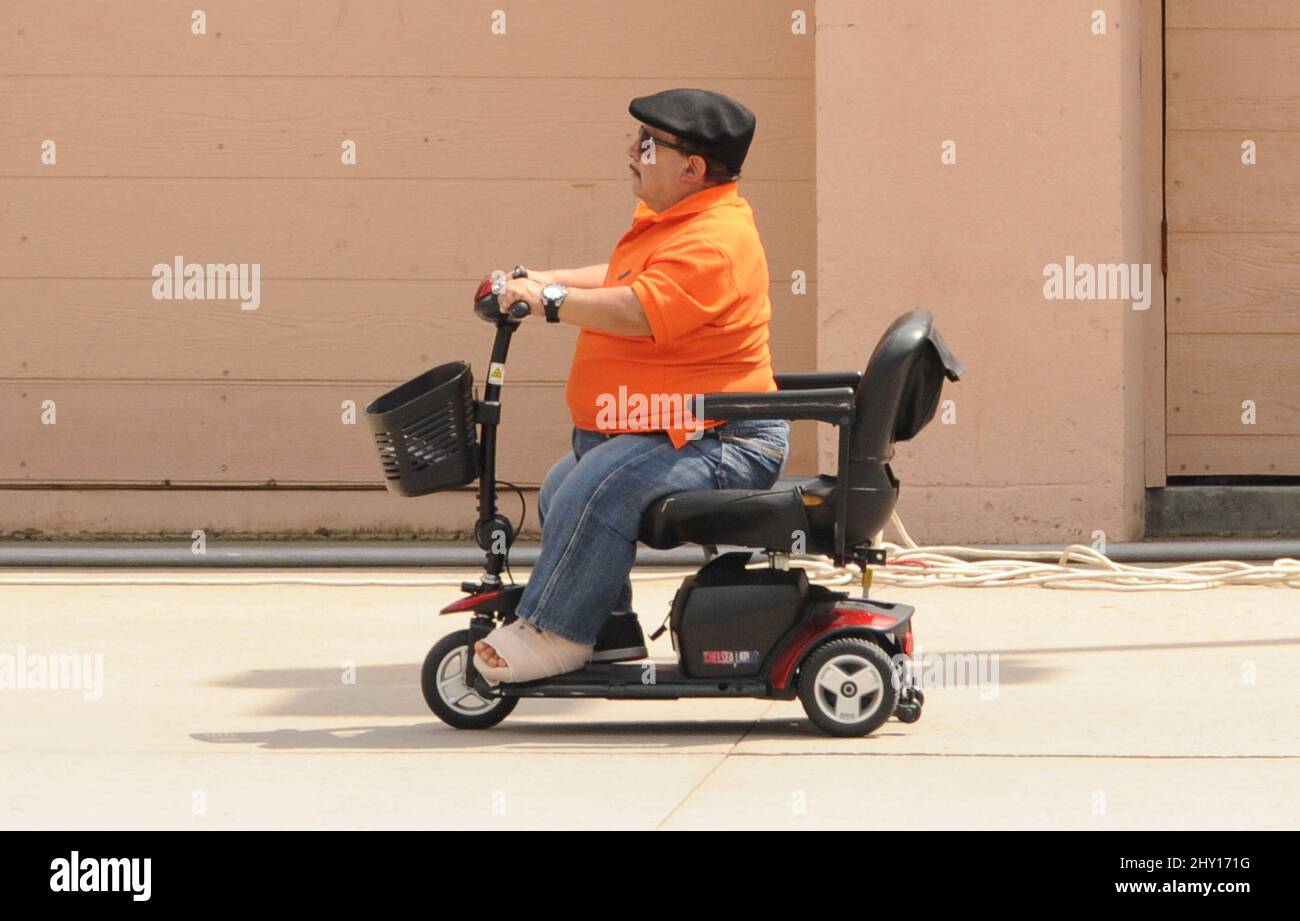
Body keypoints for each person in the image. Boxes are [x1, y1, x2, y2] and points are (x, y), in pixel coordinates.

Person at [473, 88, 790, 684]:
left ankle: (555, 630)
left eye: (647, 143)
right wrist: (543, 279)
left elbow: (639, 308)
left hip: (725, 438)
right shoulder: (678, 220)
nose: (631, 150)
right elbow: (624, 277)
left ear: (692, 169)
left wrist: (549, 302)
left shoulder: (714, 242)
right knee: (566, 482)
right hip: (683, 425)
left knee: (597, 486)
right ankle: (609, 629)